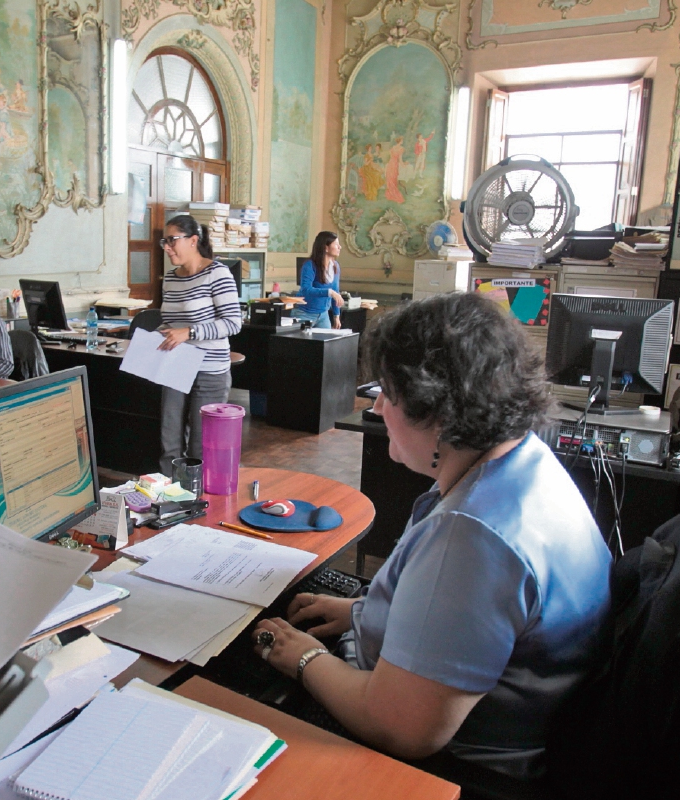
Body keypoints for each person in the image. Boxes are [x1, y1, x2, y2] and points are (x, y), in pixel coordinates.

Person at [252, 292, 612, 799]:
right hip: (506, 722)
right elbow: (476, 619)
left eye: (388, 393)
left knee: (227, 710)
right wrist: (366, 611)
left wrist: (306, 658)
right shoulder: (523, 460)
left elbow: (403, 728)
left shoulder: (472, 535)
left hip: (454, 765)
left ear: (438, 413)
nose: (376, 407)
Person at [156, 215, 242, 475]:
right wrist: (159, 335)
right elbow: (170, 322)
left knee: (201, 445)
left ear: (193, 241)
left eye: (172, 240)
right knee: (168, 437)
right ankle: (168, 498)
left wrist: (189, 332)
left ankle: (198, 502)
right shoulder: (171, 278)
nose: (167, 247)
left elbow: (233, 323)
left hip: (209, 368)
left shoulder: (217, 273)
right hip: (176, 363)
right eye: (165, 241)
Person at [294, 231, 343, 329]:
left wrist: (336, 315)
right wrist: (329, 292)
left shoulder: (335, 266)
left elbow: (336, 292)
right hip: (304, 314)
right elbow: (306, 289)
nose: (340, 247)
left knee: (327, 343)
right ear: (326, 247)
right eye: (336, 244)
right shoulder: (309, 265)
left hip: (323, 315)